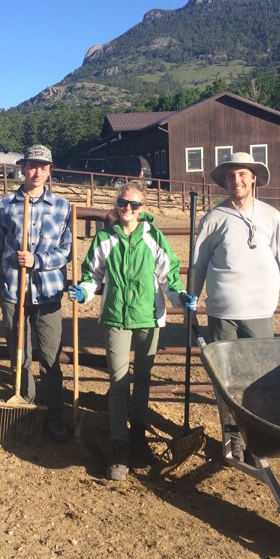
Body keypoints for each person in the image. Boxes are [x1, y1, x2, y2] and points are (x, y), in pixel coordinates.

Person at [68, 181, 187, 481]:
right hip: (116, 318)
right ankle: (119, 445)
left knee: (143, 379)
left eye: (134, 205)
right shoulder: (105, 238)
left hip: (148, 317)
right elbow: (92, 274)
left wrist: (179, 297)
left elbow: (168, 273)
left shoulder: (153, 236)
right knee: (119, 381)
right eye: (123, 203)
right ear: (117, 205)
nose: (128, 209)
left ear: (142, 208)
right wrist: (84, 291)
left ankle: (139, 437)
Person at [189, 152, 280, 460]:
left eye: (241, 175)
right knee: (226, 379)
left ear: (252, 178)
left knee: (257, 378)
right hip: (223, 311)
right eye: (230, 176)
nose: (235, 181)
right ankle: (233, 436)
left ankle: (257, 437)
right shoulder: (213, 219)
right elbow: (198, 263)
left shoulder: (271, 216)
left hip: (259, 310)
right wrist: (192, 301)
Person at [0, 144, 72, 443]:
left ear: (50, 171)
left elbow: (67, 251)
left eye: (43, 166)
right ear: (23, 168)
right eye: (32, 165)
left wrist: (39, 261)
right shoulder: (5, 205)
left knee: (49, 357)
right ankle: (27, 407)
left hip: (48, 295)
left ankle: (54, 414)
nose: (37, 172)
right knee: (19, 355)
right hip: (14, 292)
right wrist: (0, 286)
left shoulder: (63, 207)